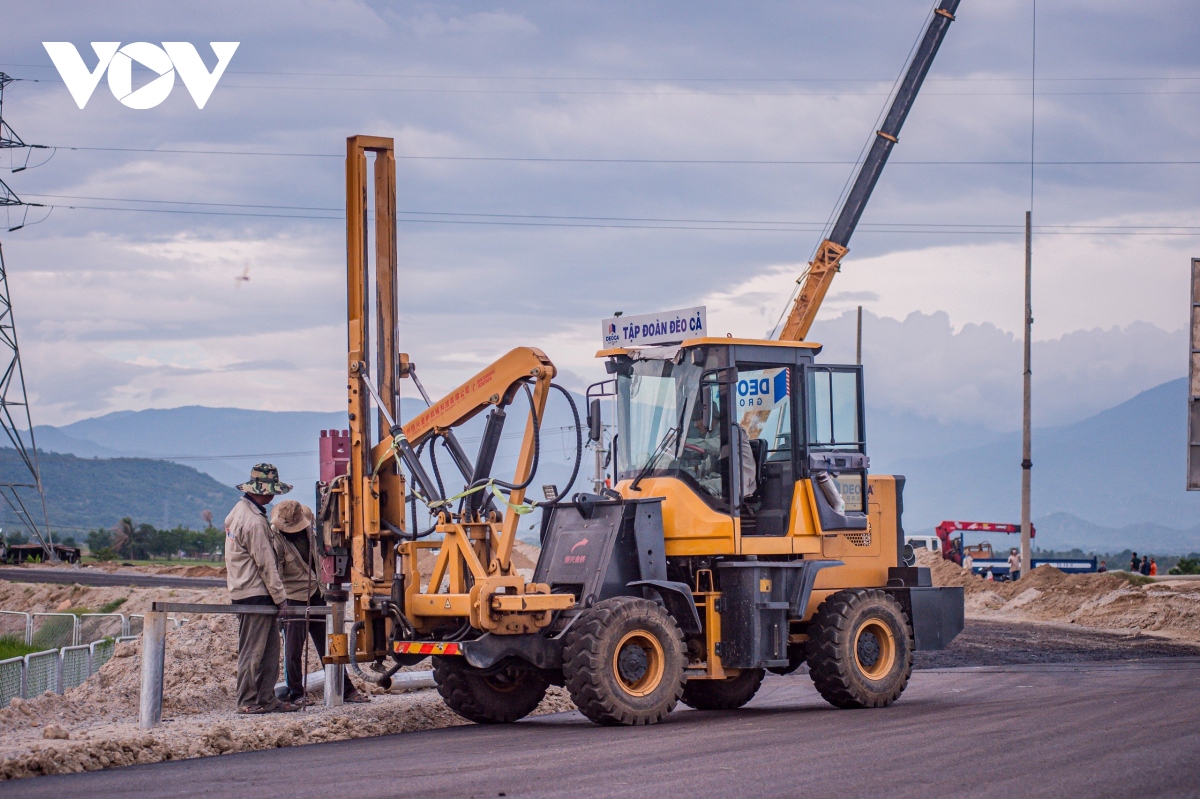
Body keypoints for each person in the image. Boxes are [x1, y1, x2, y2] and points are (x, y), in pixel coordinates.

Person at [271, 499, 369, 705]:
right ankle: (296, 693)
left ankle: (346, 689)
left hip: (317, 594)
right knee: (292, 651)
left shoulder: (310, 531)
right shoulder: (276, 540)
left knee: (330, 645)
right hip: (293, 599)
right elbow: (275, 574)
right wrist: (279, 602)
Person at [225, 463, 296, 715]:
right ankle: (247, 700)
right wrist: (282, 600)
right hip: (255, 592)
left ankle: (266, 697)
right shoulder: (255, 522)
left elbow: (226, 524)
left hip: (247, 589)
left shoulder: (240, 510)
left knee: (269, 650)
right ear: (265, 491)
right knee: (253, 650)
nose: (274, 496)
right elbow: (266, 565)